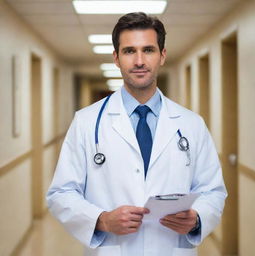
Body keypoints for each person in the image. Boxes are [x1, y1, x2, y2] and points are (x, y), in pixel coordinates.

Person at [47, 12, 227, 256]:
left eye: (149, 50)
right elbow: (61, 193)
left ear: (162, 56)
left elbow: (213, 191)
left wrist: (197, 218)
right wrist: (102, 219)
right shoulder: (86, 122)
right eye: (129, 51)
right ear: (116, 58)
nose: (139, 60)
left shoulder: (191, 124)